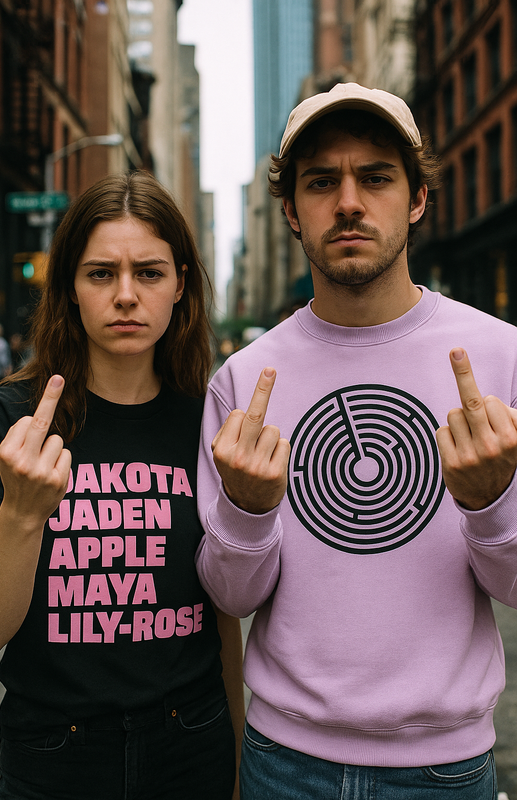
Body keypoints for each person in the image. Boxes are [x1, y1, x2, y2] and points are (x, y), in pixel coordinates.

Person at [196, 82, 517, 799]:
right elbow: (229, 596)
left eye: (375, 177)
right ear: (290, 210)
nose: (348, 202)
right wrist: (246, 512)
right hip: (282, 762)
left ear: (416, 199)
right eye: (320, 182)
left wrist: (491, 504)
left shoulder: (503, 359)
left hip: (445, 767)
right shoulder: (243, 381)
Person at [0, 171, 243, 800]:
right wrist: (22, 512)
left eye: (149, 273)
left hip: (193, 742)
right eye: (101, 273)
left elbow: (224, 614)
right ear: (69, 286)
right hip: (52, 753)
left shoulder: (208, 419)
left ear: (181, 283)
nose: (126, 295)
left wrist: (238, 760)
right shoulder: (8, 420)